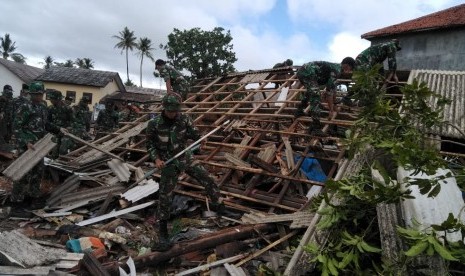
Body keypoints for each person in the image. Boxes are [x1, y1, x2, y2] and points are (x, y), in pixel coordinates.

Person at [146, 93, 229, 251]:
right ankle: (163, 229)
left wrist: (201, 139)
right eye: (170, 111)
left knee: (208, 179)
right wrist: (156, 159)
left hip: (185, 157)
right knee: (165, 195)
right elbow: (149, 144)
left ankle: (220, 207)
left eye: (175, 110)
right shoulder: (154, 123)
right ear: (164, 108)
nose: (173, 113)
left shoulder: (184, 119)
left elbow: (195, 135)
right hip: (168, 162)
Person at [10, 81, 48, 206]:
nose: (39, 96)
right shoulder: (25, 107)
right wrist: (26, 141)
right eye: (36, 94)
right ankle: (16, 202)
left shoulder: (42, 107)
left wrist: (58, 129)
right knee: (23, 173)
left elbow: (45, 125)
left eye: (40, 94)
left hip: (39, 146)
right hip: (27, 146)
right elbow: (16, 127)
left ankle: (33, 197)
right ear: (31, 94)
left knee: (38, 172)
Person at [340, 39, 402, 105]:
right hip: (367, 61)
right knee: (366, 80)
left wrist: (384, 79)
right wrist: (393, 75)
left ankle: (350, 97)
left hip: (372, 62)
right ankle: (361, 98)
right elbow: (392, 62)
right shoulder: (391, 46)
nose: (346, 70)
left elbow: (380, 63)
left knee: (370, 79)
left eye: (346, 68)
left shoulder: (383, 47)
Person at [294, 61, 341, 137]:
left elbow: (333, 90)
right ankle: (316, 128)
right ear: (347, 67)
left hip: (303, 72)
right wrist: (331, 110)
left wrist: (334, 103)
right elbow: (329, 93)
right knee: (315, 95)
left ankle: (299, 110)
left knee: (311, 91)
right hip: (308, 72)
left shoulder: (335, 68)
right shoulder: (337, 70)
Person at [47, 89, 75, 156]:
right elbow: (48, 122)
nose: (50, 100)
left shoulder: (68, 109)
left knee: (63, 151)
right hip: (54, 133)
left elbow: (73, 122)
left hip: (65, 133)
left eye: (52, 99)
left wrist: (68, 129)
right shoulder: (50, 108)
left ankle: (63, 162)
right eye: (50, 98)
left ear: (58, 99)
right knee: (54, 152)